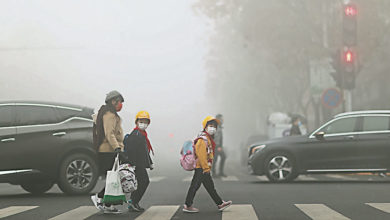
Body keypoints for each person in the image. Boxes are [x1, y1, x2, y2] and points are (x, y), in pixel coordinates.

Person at [183, 116, 232, 213]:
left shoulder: (208, 139)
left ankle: (220, 203)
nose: (213, 128)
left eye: (214, 126)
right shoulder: (203, 139)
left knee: (209, 187)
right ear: (205, 127)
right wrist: (206, 168)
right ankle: (188, 205)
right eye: (210, 125)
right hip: (201, 168)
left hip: (203, 168)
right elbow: (201, 156)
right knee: (195, 186)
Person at [91, 90, 125, 214]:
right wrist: (117, 148)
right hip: (108, 151)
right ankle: (99, 197)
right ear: (112, 101)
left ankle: (108, 204)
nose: (120, 104)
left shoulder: (111, 114)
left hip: (110, 150)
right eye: (119, 101)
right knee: (115, 178)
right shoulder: (109, 115)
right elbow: (109, 134)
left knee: (114, 178)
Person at [123, 111, 154, 212]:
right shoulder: (136, 134)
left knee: (139, 183)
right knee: (144, 182)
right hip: (136, 164)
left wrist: (150, 163)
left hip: (139, 164)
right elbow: (132, 151)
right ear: (136, 122)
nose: (143, 124)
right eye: (141, 121)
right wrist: (133, 164)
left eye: (145, 122)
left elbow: (144, 151)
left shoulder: (142, 134)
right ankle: (133, 202)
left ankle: (133, 202)